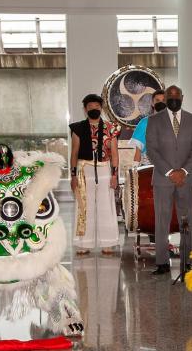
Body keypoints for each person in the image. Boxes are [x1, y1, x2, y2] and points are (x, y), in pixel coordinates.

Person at [144, 85, 192, 276]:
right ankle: (162, 262)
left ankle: (186, 261)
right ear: (165, 98)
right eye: (170, 96)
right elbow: (152, 149)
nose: (174, 98)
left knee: (186, 221)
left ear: (182, 97)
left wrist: (183, 171)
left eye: (177, 96)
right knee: (162, 220)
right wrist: (170, 172)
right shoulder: (154, 120)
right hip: (162, 178)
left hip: (186, 179)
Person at [70, 94, 121, 256]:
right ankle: (84, 244)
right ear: (85, 110)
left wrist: (115, 175)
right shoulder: (78, 128)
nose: (94, 109)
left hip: (105, 169)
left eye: (96, 106)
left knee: (106, 206)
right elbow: (74, 153)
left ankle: (108, 243)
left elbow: (114, 153)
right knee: (84, 206)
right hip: (84, 170)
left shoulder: (110, 127)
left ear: (101, 108)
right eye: (90, 107)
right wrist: (72, 176)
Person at [130, 89, 167, 164]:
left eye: (163, 100)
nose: (160, 103)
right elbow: (138, 152)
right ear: (153, 103)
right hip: (148, 165)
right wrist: (134, 170)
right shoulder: (144, 123)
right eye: (157, 100)